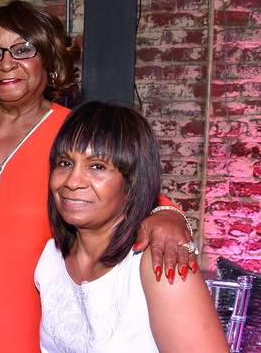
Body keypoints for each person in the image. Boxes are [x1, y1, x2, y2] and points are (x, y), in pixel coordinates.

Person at [0, 0, 198, 351]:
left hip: (35, 327)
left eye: (23, 50)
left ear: (50, 62)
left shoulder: (73, 133)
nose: (6, 64)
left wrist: (169, 215)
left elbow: (128, 188)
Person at [35, 101, 228, 352]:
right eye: (65, 163)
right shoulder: (50, 259)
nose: (72, 181)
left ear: (131, 181)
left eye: (97, 167)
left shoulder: (158, 261)